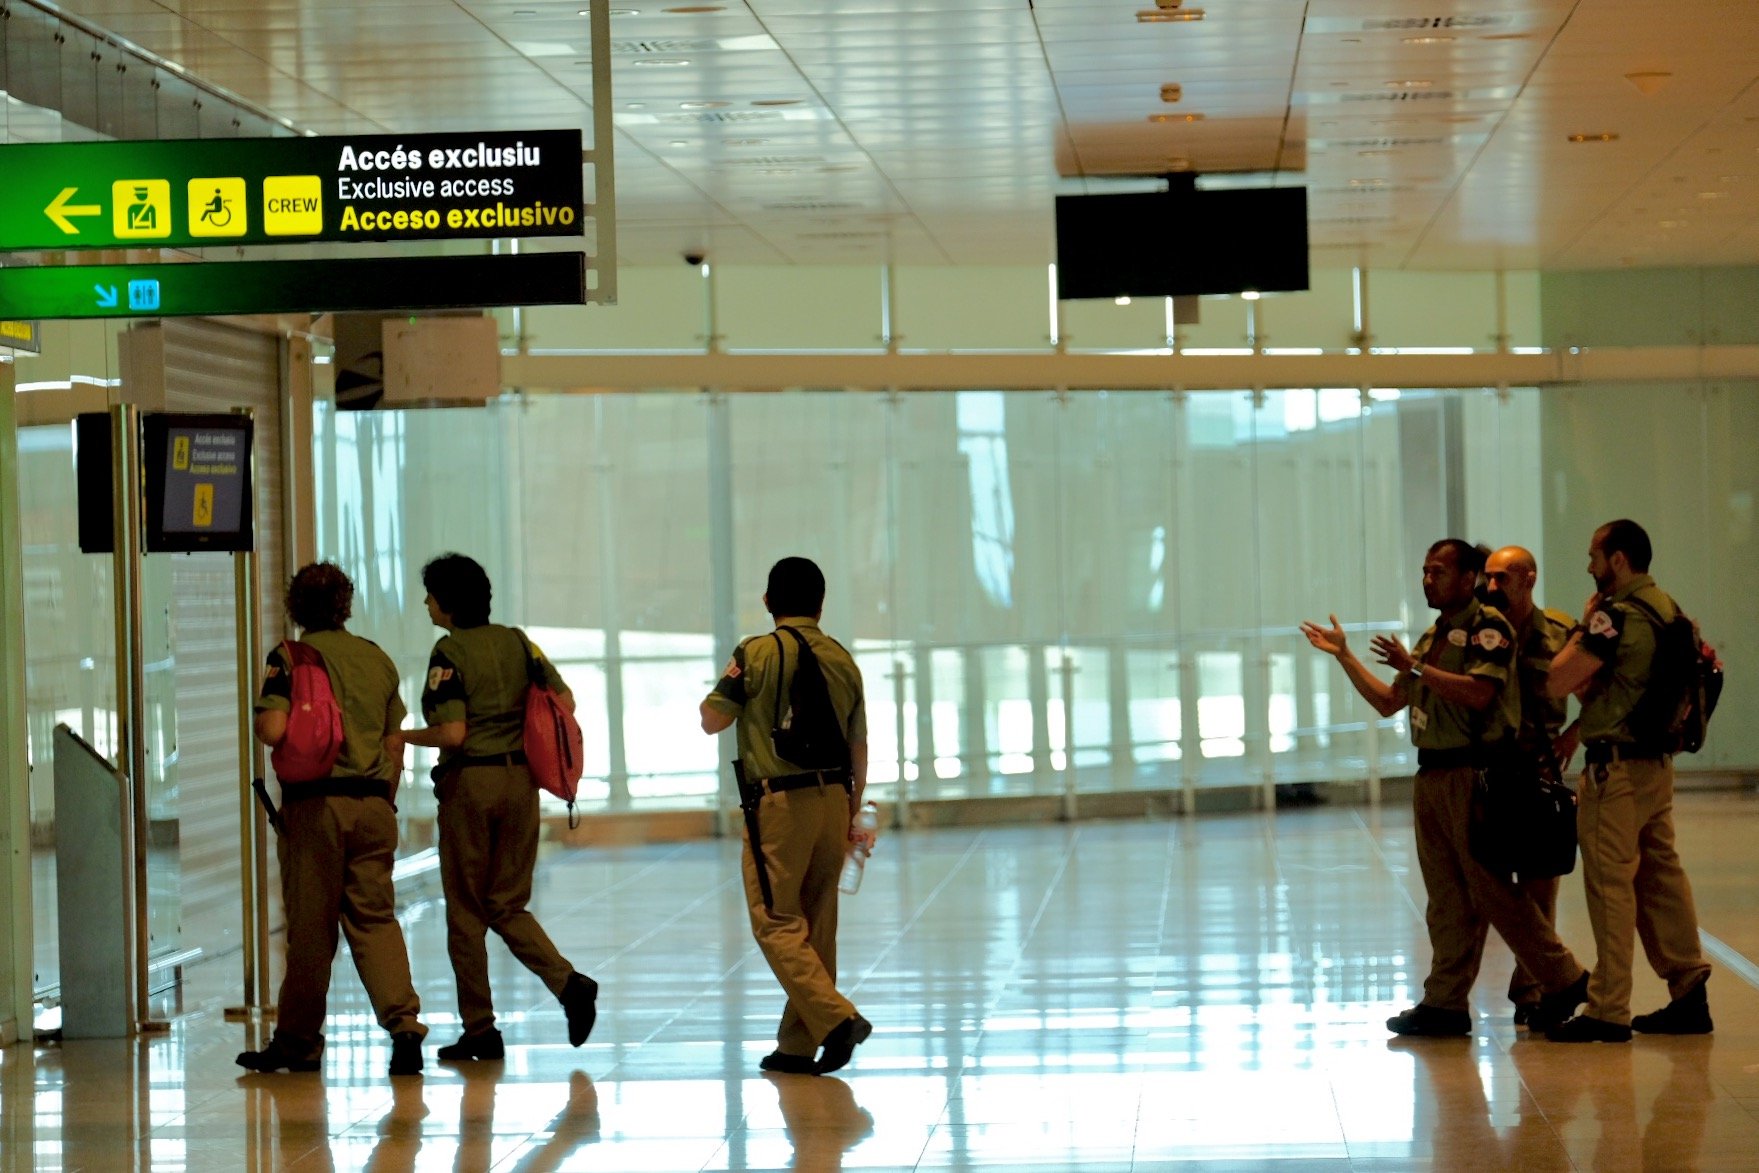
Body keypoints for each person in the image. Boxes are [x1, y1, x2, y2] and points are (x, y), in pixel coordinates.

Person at [1301, 539, 1589, 1037]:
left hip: (1475, 773)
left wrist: (1413, 668)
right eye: (1424, 571)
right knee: (1447, 898)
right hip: (1432, 774)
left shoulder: (1488, 628)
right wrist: (1345, 656)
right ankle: (1446, 1002)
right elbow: (1391, 701)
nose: (1426, 580)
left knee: (1493, 890)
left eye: (1437, 572)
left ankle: (1563, 977)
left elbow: (1480, 693)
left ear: (1467, 578)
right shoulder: (1436, 633)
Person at [401, 552, 599, 1060]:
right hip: (520, 785)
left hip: (471, 784)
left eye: (429, 595)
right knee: (507, 903)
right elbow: (566, 700)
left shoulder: (448, 652)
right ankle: (568, 983)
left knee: (466, 911)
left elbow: (453, 732)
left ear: (445, 602)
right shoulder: (518, 641)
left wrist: (400, 737)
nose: (425, 603)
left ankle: (480, 1029)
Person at [239, 562, 426, 1077]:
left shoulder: (291, 658)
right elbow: (394, 742)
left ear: (294, 607)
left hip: (316, 809)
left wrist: (261, 717)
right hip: (372, 806)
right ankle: (404, 1025)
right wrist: (382, 797)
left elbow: (274, 729)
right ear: (345, 605)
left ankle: (298, 1042)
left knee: (311, 929)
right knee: (375, 918)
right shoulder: (377, 659)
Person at [700, 556, 874, 1075]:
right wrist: (851, 810)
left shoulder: (754, 653)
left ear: (769, 601)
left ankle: (837, 1018)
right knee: (818, 922)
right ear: (821, 604)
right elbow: (858, 744)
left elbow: (712, 720)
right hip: (834, 800)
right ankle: (798, 1045)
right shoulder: (842, 658)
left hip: (779, 803)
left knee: (775, 921)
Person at [1543, 519, 1713, 1042]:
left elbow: (1555, 681)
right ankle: (1689, 993)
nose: (1589, 567)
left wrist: (1581, 625)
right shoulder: (1671, 610)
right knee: (1662, 881)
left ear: (1619, 560)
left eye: (1595, 556)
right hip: (1655, 768)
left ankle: (1608, 1007)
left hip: (1613, 770)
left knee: (1610, 885)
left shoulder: (1612, 616)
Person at [1481, 544, 1580, 1026]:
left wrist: (1573, 737)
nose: (1493, 586)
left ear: (1530, 579)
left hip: (1539, 774)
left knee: (1540, 890)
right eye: (1489, 578)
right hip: (1489, 772)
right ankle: (1542, 980)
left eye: (1504, 577)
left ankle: (1534, 988)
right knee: (1494, 885)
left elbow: (1598, 692)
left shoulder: (1559, 632)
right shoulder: (1479, 631)